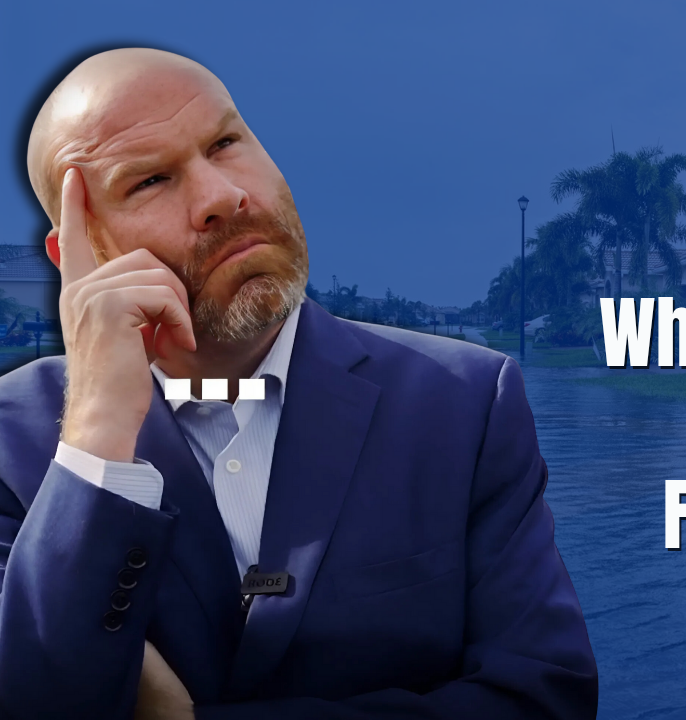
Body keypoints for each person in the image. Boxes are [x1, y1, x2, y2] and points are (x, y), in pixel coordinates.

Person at [0, 48, 597, 719]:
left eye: (226, 142)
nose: (222, 196)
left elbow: (544, 698)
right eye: (150, 181)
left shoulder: (464, 403)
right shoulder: (10, 447)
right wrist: (95, 441)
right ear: (83, 252)